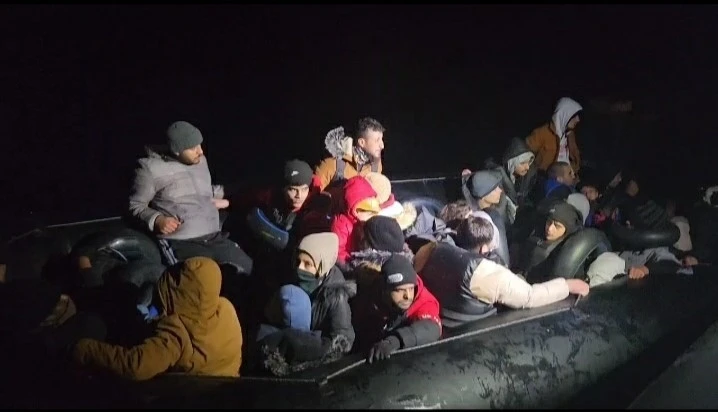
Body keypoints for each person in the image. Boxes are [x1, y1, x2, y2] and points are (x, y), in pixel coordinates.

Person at [72, 257, 243, 380]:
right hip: (224, 383)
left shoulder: (176, 333)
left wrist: (85, 349)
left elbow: (136, 366)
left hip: (185, 392)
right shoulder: (225, 307)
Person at [128, 121, 252, 274]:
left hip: (214, 237)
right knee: (201, 280)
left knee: (247, 270)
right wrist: (157, 219)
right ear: (176, 150)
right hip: (183, 242)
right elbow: (135, 205)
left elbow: (204, 190)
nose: (200, 151)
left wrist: (235, 191)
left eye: (200, 145)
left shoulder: (200, 161)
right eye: (193, 148)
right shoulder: (149, 169)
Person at [315, 117, 385, 191]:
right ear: (362, 142)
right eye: (377, 140)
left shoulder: (375, 165)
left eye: (382, 139)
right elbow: (314, 194)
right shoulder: (332, 164)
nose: (382, 145)